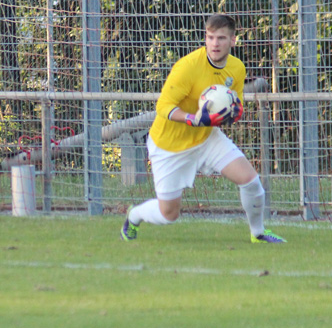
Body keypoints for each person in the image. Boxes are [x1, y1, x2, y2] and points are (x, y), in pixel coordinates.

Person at [120, 14, 285, 244]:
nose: (214, 44)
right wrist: (192, 118)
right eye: (210, 38)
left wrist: (233, 114)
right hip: (169, 145)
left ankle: (258, 233)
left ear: (233, 41)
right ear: (205, 39)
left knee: (250, 181)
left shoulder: (237, 69)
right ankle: (134, 215)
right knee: (169, 214)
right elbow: (163, 106)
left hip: (206, 138)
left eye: (220, 38)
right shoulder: (187, 67)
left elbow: (232, 103)